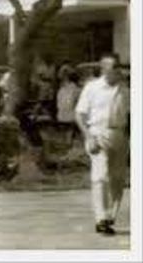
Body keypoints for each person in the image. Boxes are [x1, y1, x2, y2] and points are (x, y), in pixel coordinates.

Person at [75, 52, 129, 235]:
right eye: (113, 67)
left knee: (118, 179)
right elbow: (80, 114)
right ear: (103, 68)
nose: (117, 70)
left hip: (119, 134)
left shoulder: (126, 88)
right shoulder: (92, 88)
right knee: (101, 175)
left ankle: (111, 216)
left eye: (118, 66)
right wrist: (88, 136)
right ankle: (101, 218)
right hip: (97, 133)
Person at [55, 66, 81, 149]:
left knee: (68, 139)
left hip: (67, 118)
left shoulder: (72, 89)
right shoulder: (62, 90)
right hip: (65, 118)